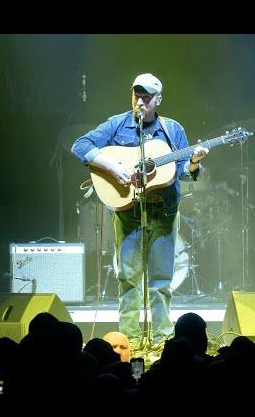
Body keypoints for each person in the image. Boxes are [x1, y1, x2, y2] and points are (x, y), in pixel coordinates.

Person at [71, 73, 209, 352]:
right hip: (128, 211)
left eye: (147, 97)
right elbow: (80, 145)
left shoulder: (172, 130)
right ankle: (130, 340)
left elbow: (180, 170)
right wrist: (114, 168)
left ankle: (162, 340)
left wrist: (193, 163)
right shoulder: (117, 123)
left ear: (158, 100)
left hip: (165, 212)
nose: (140, 101)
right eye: (137, 95)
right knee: (128, 278)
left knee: (161, 281)